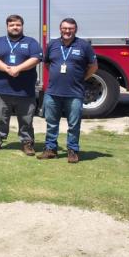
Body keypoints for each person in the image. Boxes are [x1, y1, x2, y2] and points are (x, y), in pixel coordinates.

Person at [38, 18, 98, 164]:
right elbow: (47, 63)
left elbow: (93, 66)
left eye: (70, 28)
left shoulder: (84, 45)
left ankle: (73, 151)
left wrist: (81, 78)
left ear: (75, 30)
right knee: (51, 123)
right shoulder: (52, 44)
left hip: (75, 92)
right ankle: (50, 149)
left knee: (74, 124)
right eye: (64, 28)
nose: (67, 31)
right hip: (53, 92)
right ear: (60, 29)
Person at [0, 14, 43, 155]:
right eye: (12, 25)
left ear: (22, 26)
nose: (15, 27)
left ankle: (27, 143)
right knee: (0, 118)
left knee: (26, 120)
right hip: (2, 90)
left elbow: (36, 58)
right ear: (7, 27)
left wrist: (18, 68)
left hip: (25, 91)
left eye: (18, 25)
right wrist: (7, 69)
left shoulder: (31, 42)